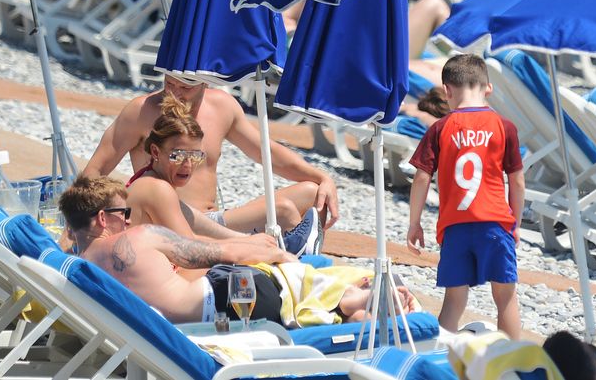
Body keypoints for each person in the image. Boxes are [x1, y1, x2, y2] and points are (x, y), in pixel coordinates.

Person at [59, 175, 415, 326]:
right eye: (124, 215)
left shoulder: (75, 267)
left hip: (199, 313)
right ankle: (353, 300)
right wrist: (267, 251)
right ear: (103, 219)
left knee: (283, 273)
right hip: (231, 305)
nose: (129, 220)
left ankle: (349, 310)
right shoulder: (137, 238)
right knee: (282, 269)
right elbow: (215, 254)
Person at [83, 74, 339, 234]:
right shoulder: (140, 112)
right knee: (283, 211)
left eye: (186, 87)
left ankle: (289, 264)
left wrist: (323, 177)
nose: (175, 93)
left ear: (205, 81)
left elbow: (267, 153)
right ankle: (299, 273)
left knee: (314, 192)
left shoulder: (222, 107)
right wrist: (87, 227)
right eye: (169, 83)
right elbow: (94, 172)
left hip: (216, 218)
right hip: (171, 220)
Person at [406, 54, 525, 340]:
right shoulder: (503, 126)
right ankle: (515, 363)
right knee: (505, 298)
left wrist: (415, 223)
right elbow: (517, 181)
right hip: (495, 223)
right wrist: (516, 223)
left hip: (455, 226)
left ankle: (442, 357)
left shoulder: (440, 128)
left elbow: (422, 177)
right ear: (488, 88)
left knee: (454, 300)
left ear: (447, 90)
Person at [126, 96, 323, 257]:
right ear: (155, 151)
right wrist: (250, 247)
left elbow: (209, 229)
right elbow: (190, 247)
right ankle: (297, 255)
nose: (187, 165)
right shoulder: (155, 189)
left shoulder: (158, 183)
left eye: (195, 156)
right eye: (177, 156)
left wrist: (250, 241)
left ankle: (294, 252)